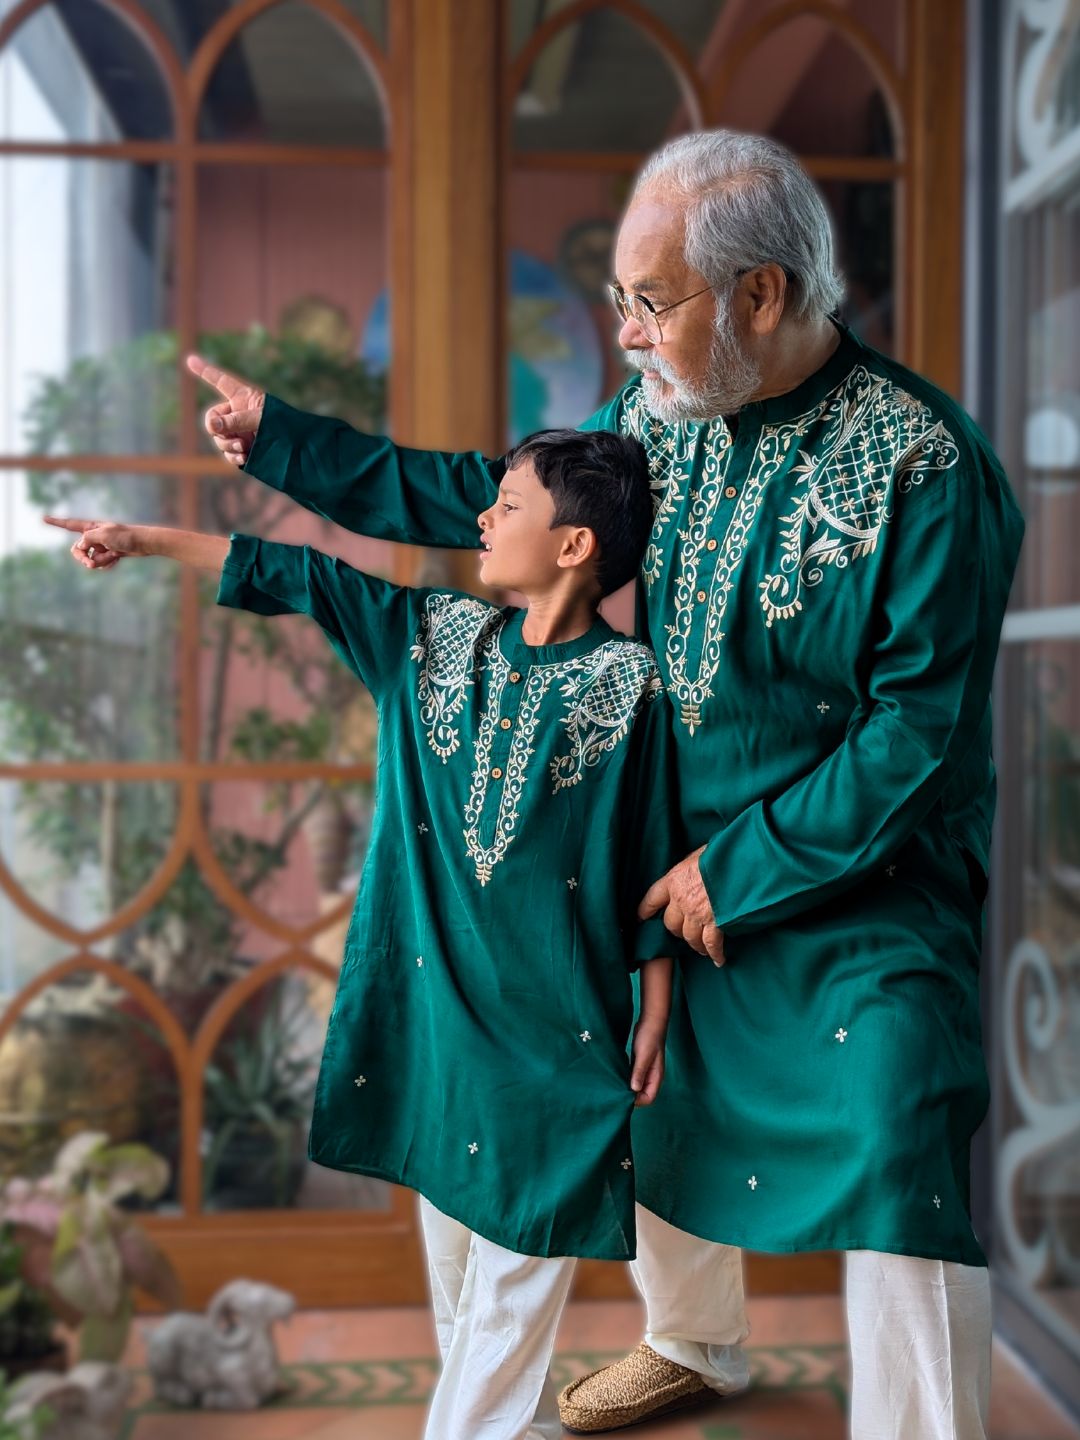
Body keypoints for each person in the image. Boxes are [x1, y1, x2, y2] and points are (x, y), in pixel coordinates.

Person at [182, 128, 1025, 1440]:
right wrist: (286, 445)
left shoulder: (925, 464)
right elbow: (485, 498)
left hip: (868, 880)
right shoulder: (655, 419)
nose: (623, 335)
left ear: (762, 296)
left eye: (650, 302)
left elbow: (912, 736)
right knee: (633, 1053)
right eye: (620, 299)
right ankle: (697, 1340)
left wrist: (730, 873)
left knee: (896, 1122)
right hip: (667, 840)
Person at [44, 426, 683, 1440]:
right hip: (433, 1030)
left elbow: (649, 853)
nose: (482, 517)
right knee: (463, 1300)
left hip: (560, 1041)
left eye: (508, 505)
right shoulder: (434, 637)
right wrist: (146, 541)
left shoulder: (635, 686)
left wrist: (656, 1003)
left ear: (574, 546)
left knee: (508, 1307)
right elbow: (300, 574)